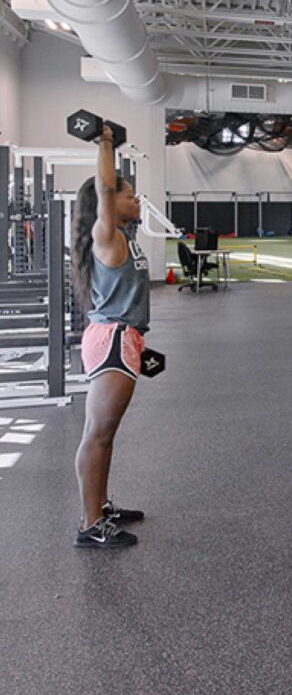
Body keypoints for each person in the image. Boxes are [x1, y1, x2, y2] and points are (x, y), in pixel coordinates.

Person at [72, 124, 150, 548]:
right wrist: (105, 142)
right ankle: (90, 525)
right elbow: (103, 189)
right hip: (113, 340)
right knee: (98, 434)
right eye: (128, 193)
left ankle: (100, 507)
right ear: (108, 204)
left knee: (106, 433)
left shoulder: (121, 238)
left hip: (124, 338)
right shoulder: (106, 236)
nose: (135, 198)